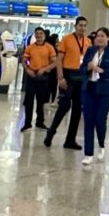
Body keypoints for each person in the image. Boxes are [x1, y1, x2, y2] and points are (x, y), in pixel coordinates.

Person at [44, 16, 91, 150]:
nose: (82, 28)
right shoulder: (67, 39)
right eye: (80, 25)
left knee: (77, 110)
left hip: (81, 77)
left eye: (84, 25)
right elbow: (59, 59)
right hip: (68, 75)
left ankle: (70, 139)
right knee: (64, 106)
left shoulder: (88, 42)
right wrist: (60, 77)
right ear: (75, 26)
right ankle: (51, 132)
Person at [80, 27, 109, 166]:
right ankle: (88, 153)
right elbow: (82, 68)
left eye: (102, 36)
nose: (99, 38)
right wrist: (88, 68)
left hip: (103, 90)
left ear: (108, 38)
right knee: (88, 121)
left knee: (100, 120)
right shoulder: (90, 51)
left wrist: (102, 71)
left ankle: (101, 144)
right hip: (89, 89)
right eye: (97, 36)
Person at [20, 27, 56, 132]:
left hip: (43, 76)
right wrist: (27, 69)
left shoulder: (49, 47)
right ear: (34, 35)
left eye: (41, 33)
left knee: (41, 101)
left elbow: (54, 62)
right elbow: (24, 60)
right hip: (32, 76)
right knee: (29, 101)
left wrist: (45, 69)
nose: (39, 35)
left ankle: (40, 122)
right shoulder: (30, 47)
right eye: (37, 34)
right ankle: (27, 123)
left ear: (44, 35)